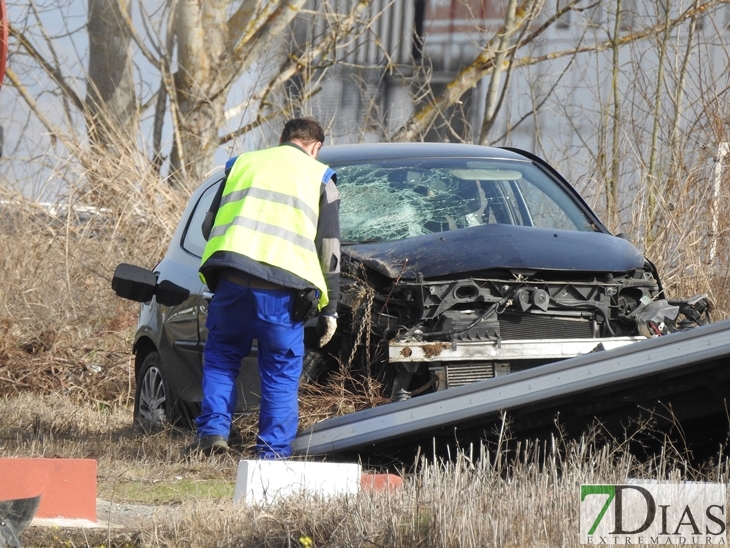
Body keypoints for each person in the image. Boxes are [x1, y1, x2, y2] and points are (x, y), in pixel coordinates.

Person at [186, 118, 340, 459]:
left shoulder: (241, 164)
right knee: (281, 373)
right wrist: (330, 308)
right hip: (282, 295)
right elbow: (329, 251)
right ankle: (271, 453)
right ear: (315, 147)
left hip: (232, 283)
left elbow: (209, 224)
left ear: (282, 139)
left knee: (222, 360)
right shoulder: (321, 177)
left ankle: (212, 432)